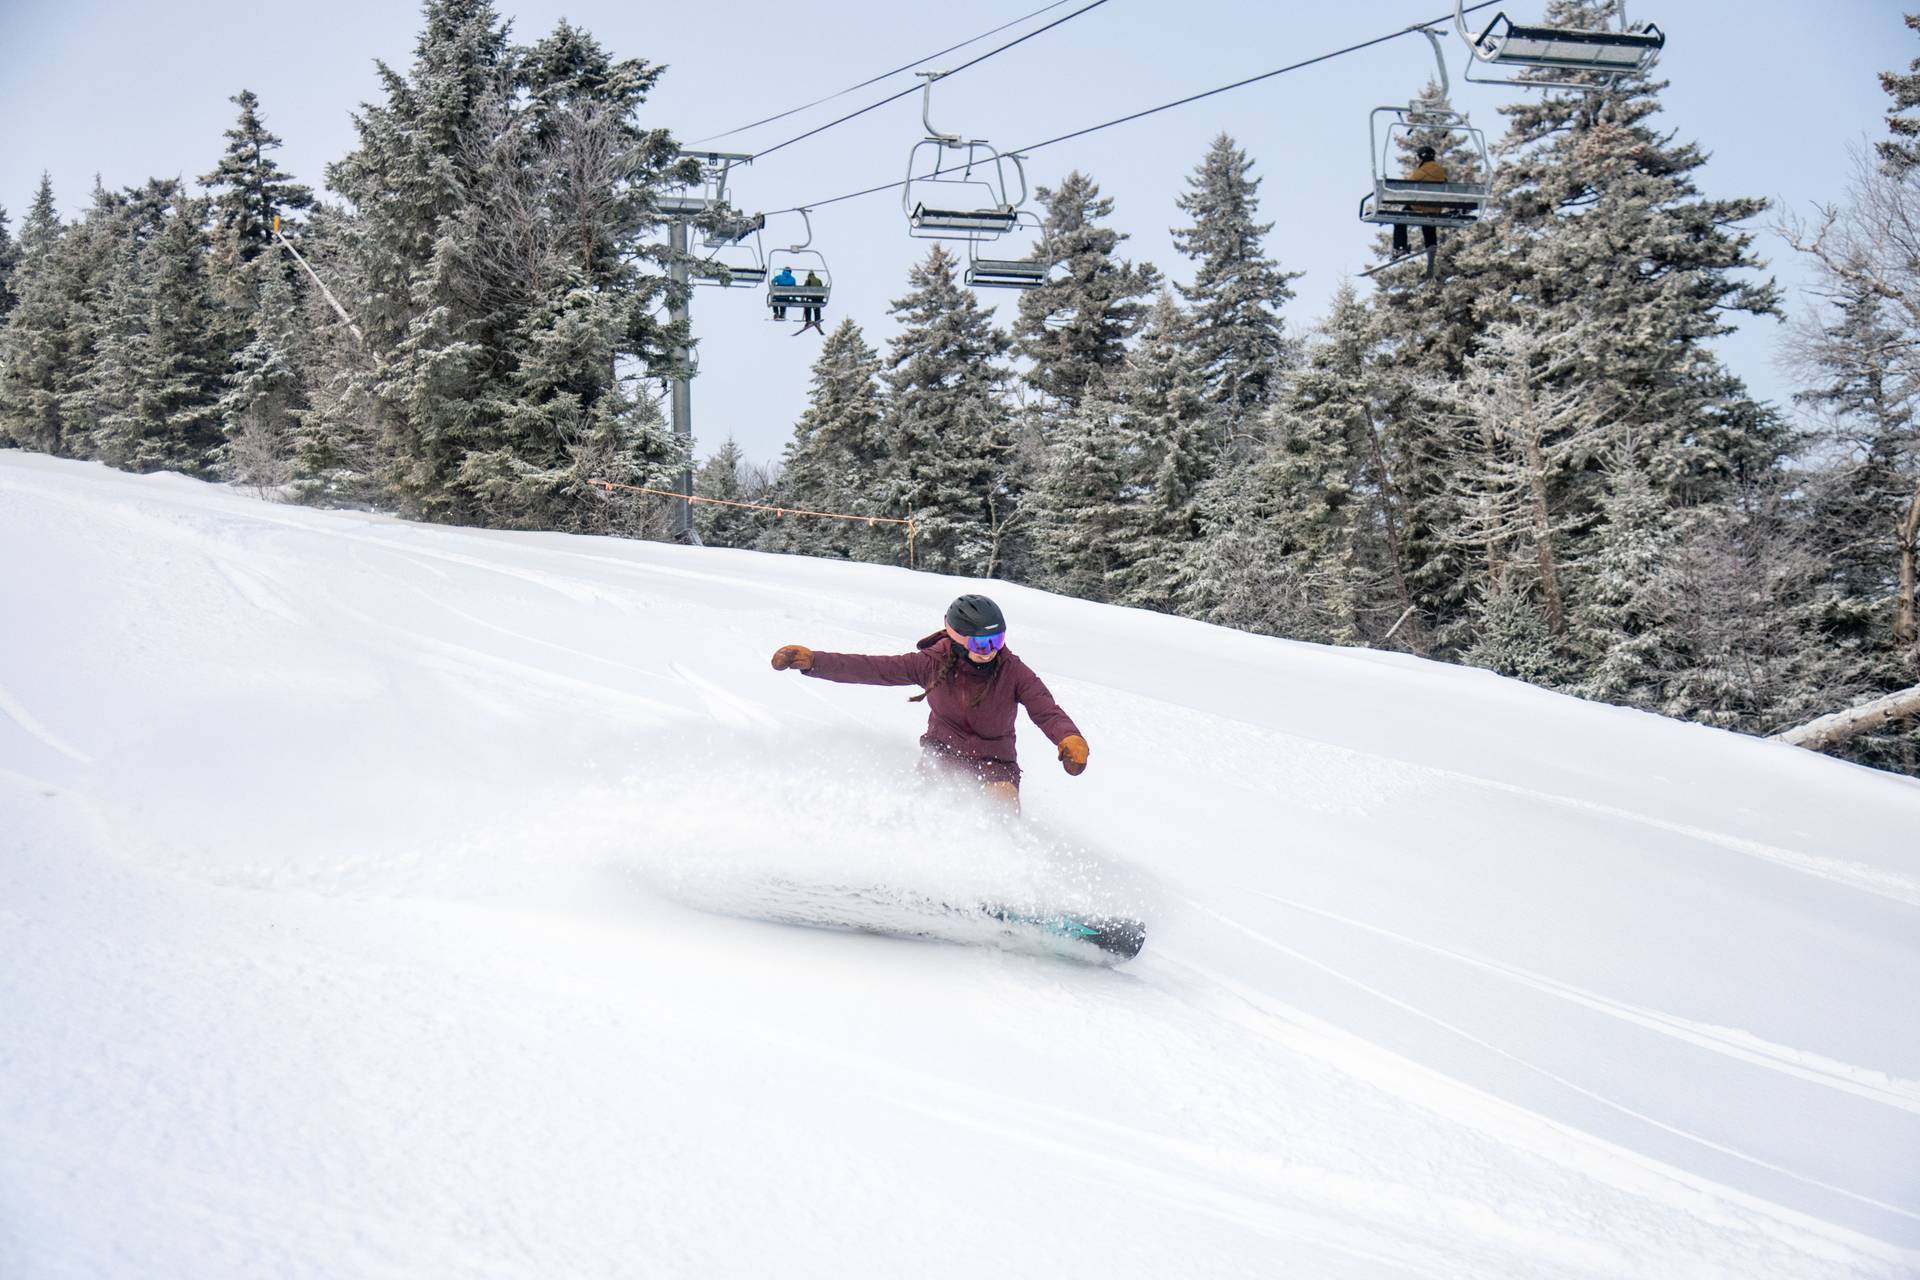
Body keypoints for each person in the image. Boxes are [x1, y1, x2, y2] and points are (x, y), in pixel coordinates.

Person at [770, 594, 1089, 809]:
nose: (989, 649)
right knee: (928, 805)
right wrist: (815, 661)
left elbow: (1047, 710)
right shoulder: (931, 663)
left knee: (1002, 809)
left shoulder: (1013, 671)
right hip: (942, 754)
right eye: (981, 642)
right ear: (957, 638)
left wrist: (1069, 738)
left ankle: (1001, 881)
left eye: (998, 640)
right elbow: (873, 669)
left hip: (996, 764)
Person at [1391, 145, 1448, 274]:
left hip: (1420, 205)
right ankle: (1431, 245)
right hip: (1435, 207)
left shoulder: (1422, 171)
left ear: (1422, 157)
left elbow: (1409, 185)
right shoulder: (1440, 170)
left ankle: (1400, 246)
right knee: (1428, 221)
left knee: (1401, 216)